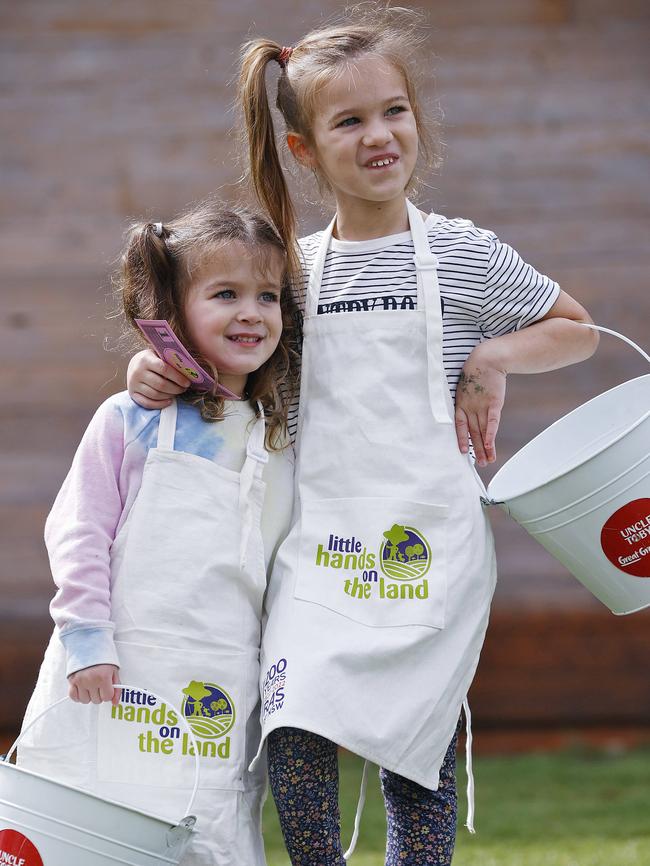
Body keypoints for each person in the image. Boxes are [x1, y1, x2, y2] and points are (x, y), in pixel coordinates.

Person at [126, 5, 600, 864]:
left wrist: (492, 357)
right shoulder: (291, 272)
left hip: (432, 550)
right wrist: (146, 373)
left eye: (394, 111)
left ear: (416, 120)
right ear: (305, 149)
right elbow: (222, 369)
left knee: (418, 752)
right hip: (319, 547)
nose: (379, 135)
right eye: (349, 120)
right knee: (296, 732)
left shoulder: (464, 253)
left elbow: (577, 329)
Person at [18, 201, 300, 866]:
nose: (251, 313)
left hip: (220, 681)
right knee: (87, 827)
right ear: (172, 311)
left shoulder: (283, 431)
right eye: (225, 294)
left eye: (267, 295)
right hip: (114, 673)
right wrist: (87, 638)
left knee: (205, 829)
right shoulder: (132, 419)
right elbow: (80, 530)